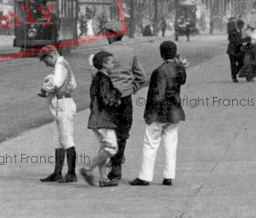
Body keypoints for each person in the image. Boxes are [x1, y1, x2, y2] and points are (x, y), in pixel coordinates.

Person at [91, 29, 146, 182]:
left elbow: (95, 75)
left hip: (108, 100)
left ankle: (99, 169)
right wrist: (131, 89)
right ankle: (116, 169)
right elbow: (141, 76)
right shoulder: (131, 50)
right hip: (125, 98)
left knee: (109, 134)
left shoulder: (104, 52)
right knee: (122, 134)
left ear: (110, 35)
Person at [130, 41, 187, 187]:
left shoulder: (159, 71)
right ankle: (169, 176)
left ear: (161, 54)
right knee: (171, 144)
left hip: (159, 113)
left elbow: (158, 94)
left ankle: (145, 177)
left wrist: (149, 114)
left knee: (150, 144)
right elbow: (183, 80)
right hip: (174, 112)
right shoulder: (179, 69)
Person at [80, 51, 122, 187]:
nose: (113, 64)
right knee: (111, 148)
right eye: (111, 62)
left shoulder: (99, 77)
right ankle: (87, 168)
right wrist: (117, 95)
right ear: (103, 64)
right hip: (103, 118)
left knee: (103, 147)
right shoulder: (103, 79)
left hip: (97, 118)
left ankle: (104, 178)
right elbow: (107, 99)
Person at [37, 45, 78, 183]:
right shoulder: (61, 65)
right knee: (58, 140)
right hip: (60, 102)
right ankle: (57, 173)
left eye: (45, 60)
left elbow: (55, 83)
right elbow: (70, 84)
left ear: (52, 55)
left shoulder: (60, 64)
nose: (45, 64)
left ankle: (71, 174)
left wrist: (44, 89)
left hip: (64, 103)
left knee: (66, 139)